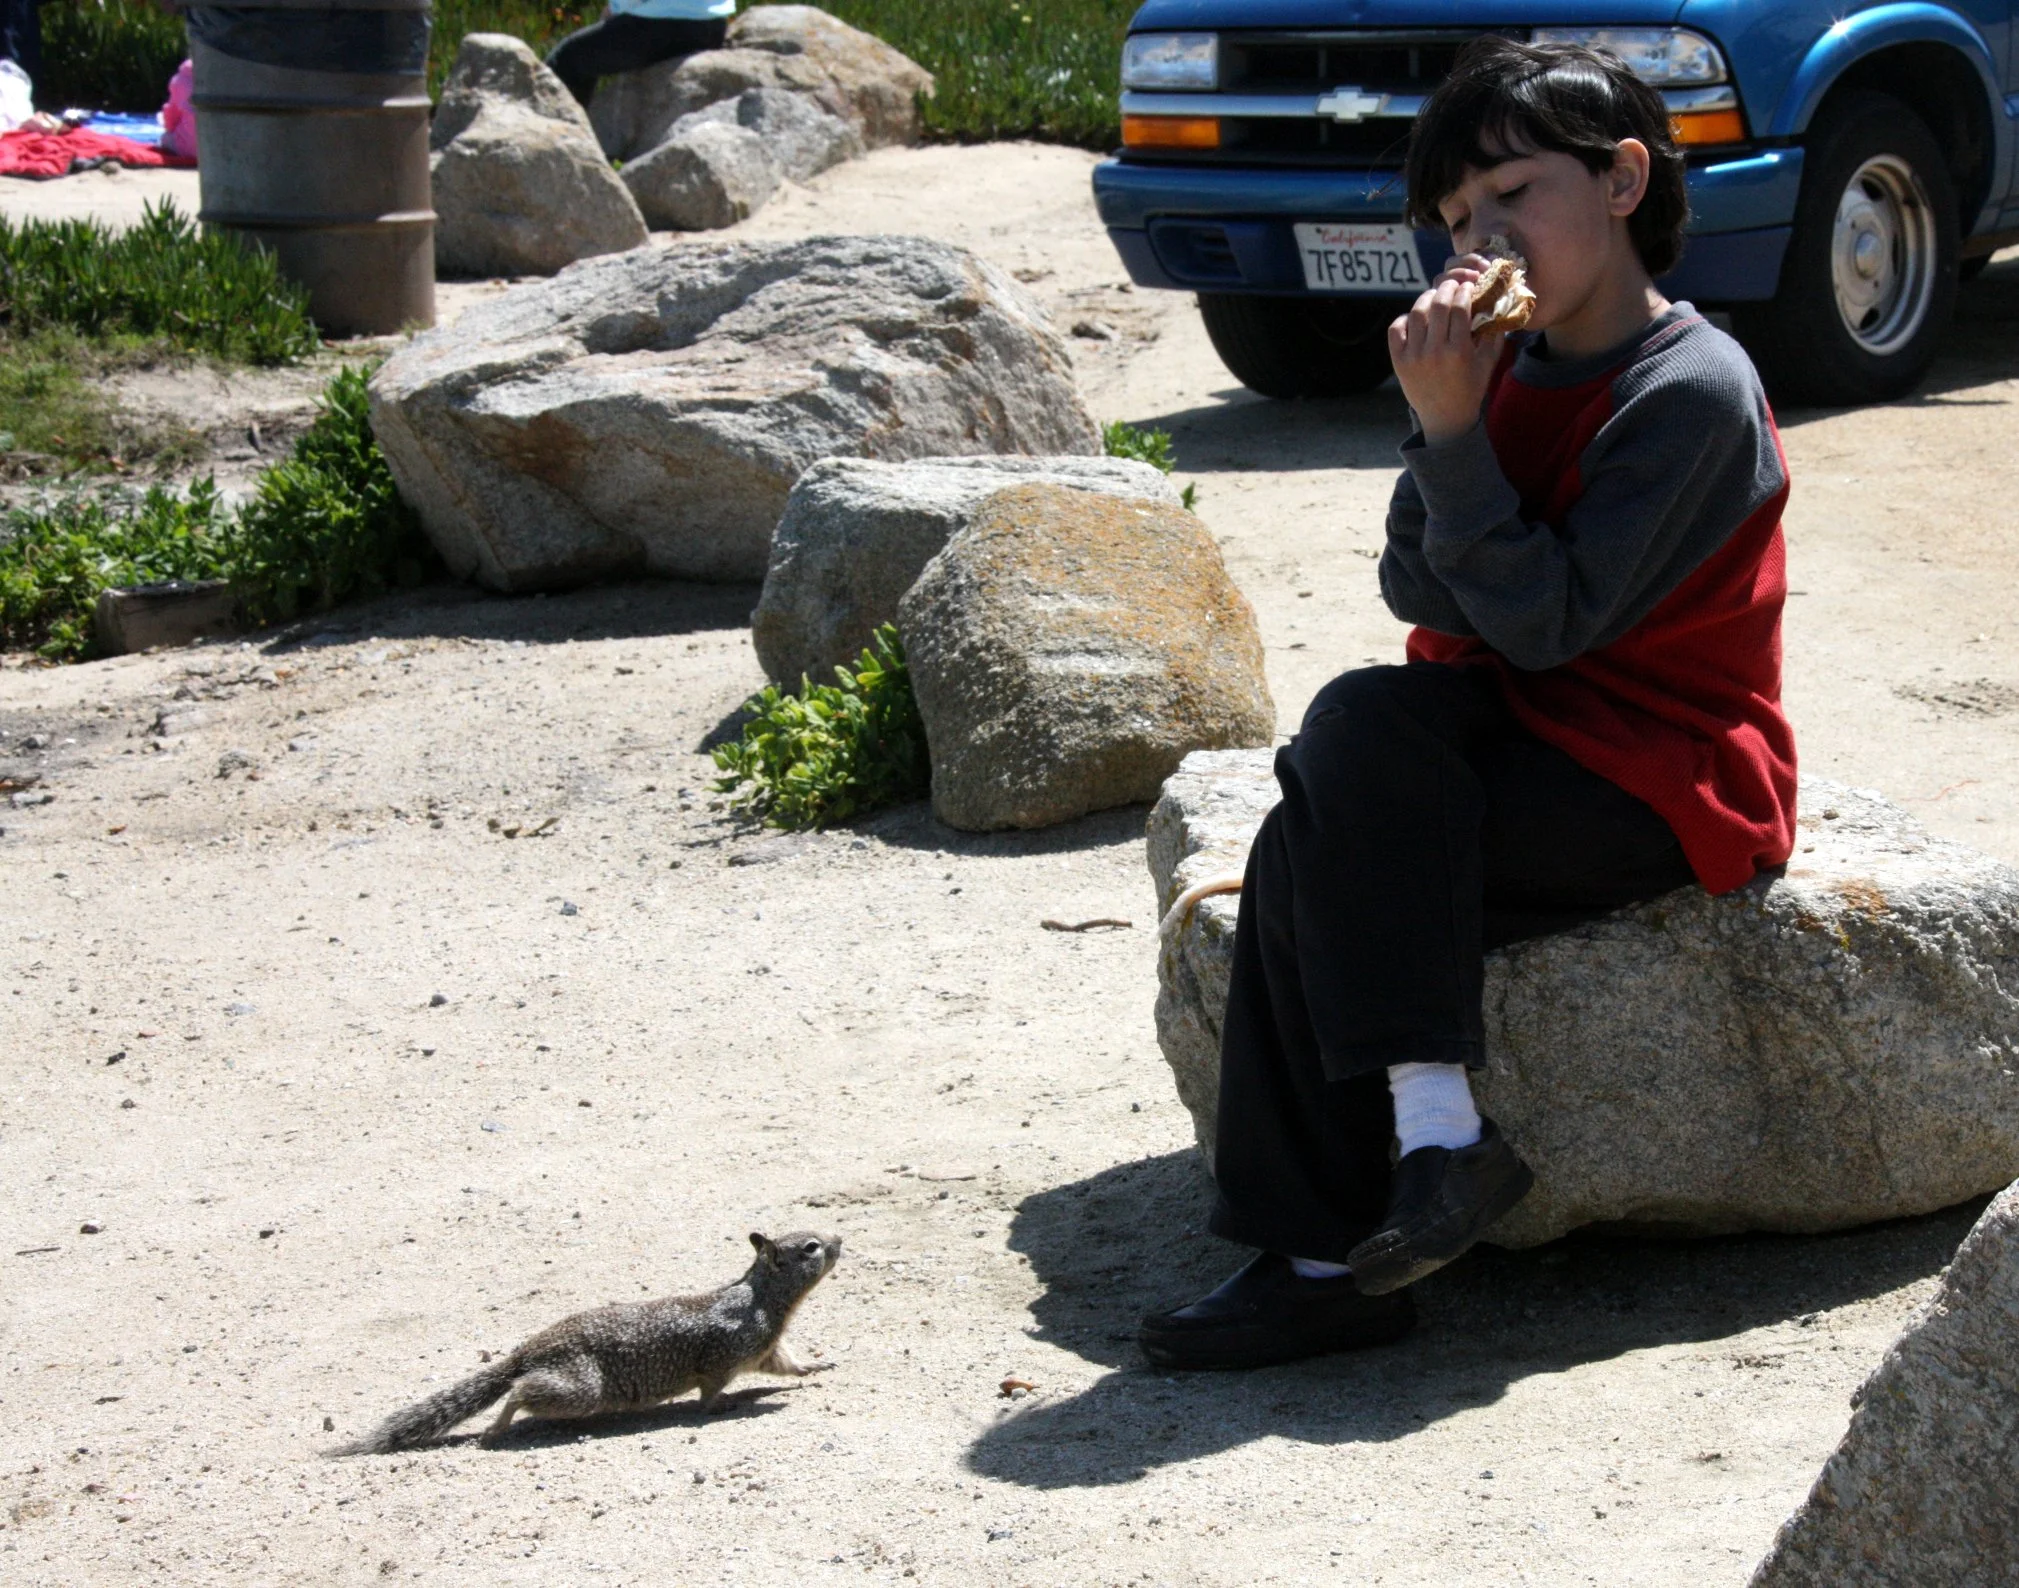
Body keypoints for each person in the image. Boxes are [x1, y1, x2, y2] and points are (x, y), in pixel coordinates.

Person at [1139, 36, 1796, 1371]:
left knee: (1354, 735)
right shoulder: (1504, 366)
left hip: (1659, 774)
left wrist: (1453, 436)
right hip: (1514, 741)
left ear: (1621, 181)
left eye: (1511, 193)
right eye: (1452, 216)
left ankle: (1429, 1149)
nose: (1478, 239)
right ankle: (1338, 1247)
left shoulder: (1691, 390)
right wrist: (1451, 416)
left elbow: (1545, 627)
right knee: (1303, 842)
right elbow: (1413, 581)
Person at [546, 0, 736, 110]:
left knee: (566, 60)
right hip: (712, 24)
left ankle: (562, 147)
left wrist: (617, 7)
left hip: (666, 20)